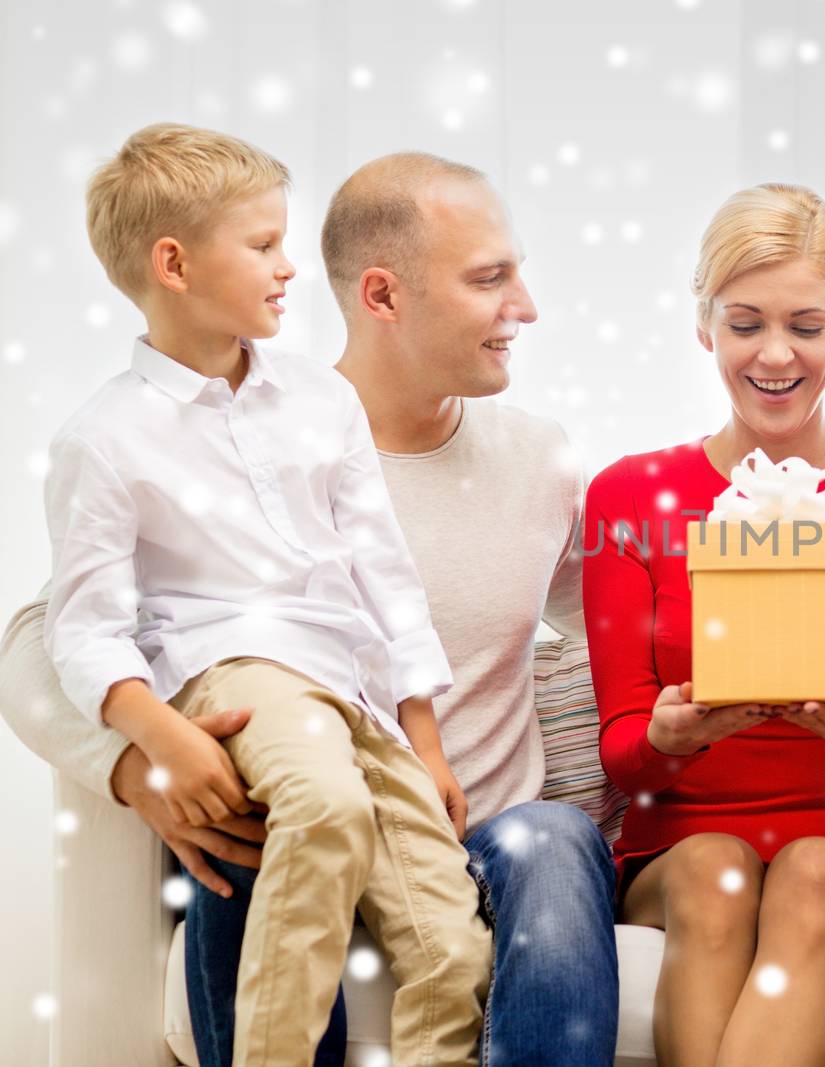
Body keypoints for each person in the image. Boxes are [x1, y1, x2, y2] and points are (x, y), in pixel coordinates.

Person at [2, 147, 620, 1067]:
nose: (526, 308)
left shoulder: (537, 460)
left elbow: (622, 624)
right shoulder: (164, 441)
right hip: (277, 800)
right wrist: (138, 760)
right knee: (267, 824)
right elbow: (43, 639)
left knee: (554, 839)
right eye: (491, 278)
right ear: (382, 295)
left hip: (473, 820)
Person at [582, 182, 825, 1067]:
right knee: (717, 866)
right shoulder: (631, 497)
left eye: (807, 324)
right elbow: (623, 752)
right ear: (704, 326)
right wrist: (673, 733)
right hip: (677, 847)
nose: (777, 354)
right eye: (746, 323)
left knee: (818, 869)